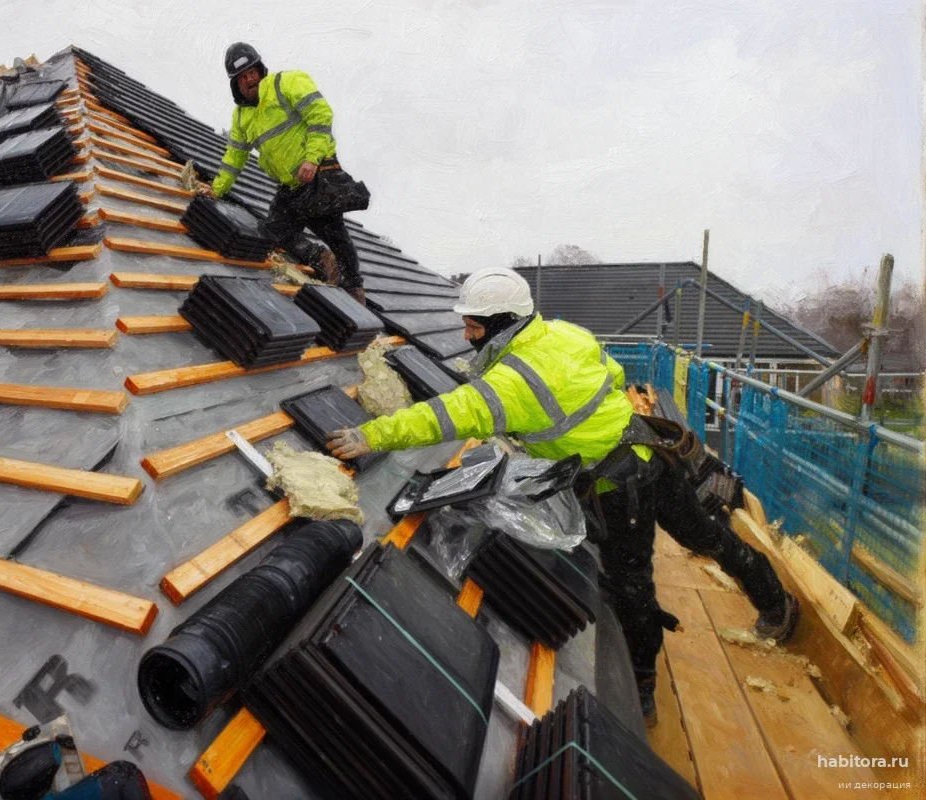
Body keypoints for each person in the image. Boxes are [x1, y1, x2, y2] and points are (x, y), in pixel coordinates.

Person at [325, 266, 800, 726]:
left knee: (632, 587)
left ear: (502, 324)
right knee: (707, 536)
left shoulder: (514, 384)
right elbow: (612, 375)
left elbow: (445, 416)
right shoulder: (565, 333)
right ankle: (776, 603)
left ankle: (642, 690)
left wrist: (372, 436)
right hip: (650, 453)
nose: (466, 335)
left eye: (473, 325)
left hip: (619, 490)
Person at [199, 42, 369, 303]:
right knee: (274, 230)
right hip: (291, 185)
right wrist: (217, 188)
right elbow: (235, 156)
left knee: (333, 231)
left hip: (319, 173)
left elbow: (320, 114)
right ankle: (321, 259)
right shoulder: (242, 117)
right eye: (242, 77)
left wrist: (312, 159)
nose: (250, 79)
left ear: (260, 69)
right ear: (236, 84)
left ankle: (354, 288)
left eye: (252, 72)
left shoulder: (286, 83)